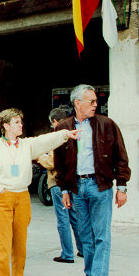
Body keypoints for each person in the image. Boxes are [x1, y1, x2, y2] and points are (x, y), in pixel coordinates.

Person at [0, 108, 80, 276]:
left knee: (20, 240)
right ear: (6, 125)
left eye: (20, 121)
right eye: (17, 122)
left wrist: (65, 134)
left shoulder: (26, 145)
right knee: (2, 242)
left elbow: (45, 140)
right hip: (2, 198)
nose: (21, 125)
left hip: (22, 197)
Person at [54, 84, 131, 276]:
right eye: (92, 101)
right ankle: (89, 274)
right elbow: (59, 162)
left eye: (96, 101)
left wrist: (122, 187)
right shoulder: (63, 127)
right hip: (77, 187)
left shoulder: (107, 125)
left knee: (101, 236)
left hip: (100, 186)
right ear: (78, 103)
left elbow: (121, 157)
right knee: (85, 234)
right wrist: (65, 190)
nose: (96, 104)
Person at [37, 108, 83, 264]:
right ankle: (82, 249)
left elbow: (52, 162)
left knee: (63, 219)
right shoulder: (77, 133)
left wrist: (39, 157)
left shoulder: (57, 138)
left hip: (58, 183)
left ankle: (67, 254)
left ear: (55, 121)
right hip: (73, 182)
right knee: (75, 217)